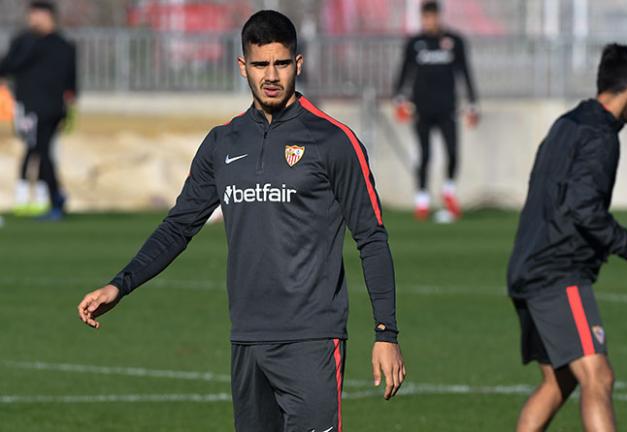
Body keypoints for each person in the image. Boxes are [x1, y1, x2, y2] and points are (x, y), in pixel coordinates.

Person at [77, 10, 405, 432]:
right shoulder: (222, 142)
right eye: (260, 64)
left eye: (281, 64)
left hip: (311, 339)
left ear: (298, 64)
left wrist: (386, 333)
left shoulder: (333, 141)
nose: (272, 75)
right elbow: (179, 225)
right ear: (242, 67)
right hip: (247, 339)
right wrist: (121, 283)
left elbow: (371, 238)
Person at [507, 44, 627, 432]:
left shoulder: (567, 123)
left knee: (562, 378)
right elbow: (581, 205)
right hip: (556, 273)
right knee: (599, 376)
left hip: (529, 265)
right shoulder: (600, 134)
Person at [394, 0, 479, 222]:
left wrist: (472, 102)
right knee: (425, 155)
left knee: (452, 152)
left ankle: (448, 191)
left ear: (438, 17)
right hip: (421, 108)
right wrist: (399, 99)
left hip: (447, 107)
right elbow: (404, 71)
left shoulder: (454, 41)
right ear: (423, 18)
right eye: (426, 17)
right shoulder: (415, 43)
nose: (430, 21)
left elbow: (465, 72)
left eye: (433, 16)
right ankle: (421, 200)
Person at [0, 1, 77, 220]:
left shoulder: (62, 45)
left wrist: (71, 105)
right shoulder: (24, 42)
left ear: (48, 16)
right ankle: (54, 197)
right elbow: (7, 67)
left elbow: (71, 79)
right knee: (39, 151)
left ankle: (54, 198)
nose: (32, 20)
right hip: (30, 107)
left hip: (53, 108)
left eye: (37, 16)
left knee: (43, 152)